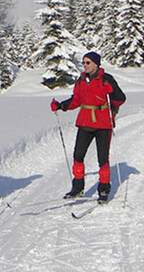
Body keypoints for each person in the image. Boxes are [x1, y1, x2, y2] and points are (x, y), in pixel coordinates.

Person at [51, 52, 126, 203]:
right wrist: (61, 106)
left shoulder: (106, 79)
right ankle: (77, 188)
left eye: (88, 62)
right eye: (84, 62)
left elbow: (120, 98)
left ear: (96, 64)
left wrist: (112, 107)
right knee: (78, 156)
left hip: (103, 124)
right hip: (85, 123)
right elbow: (76, 100)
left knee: (102, 158)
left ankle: (104, 190)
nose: (85, 65)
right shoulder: (81, 80)